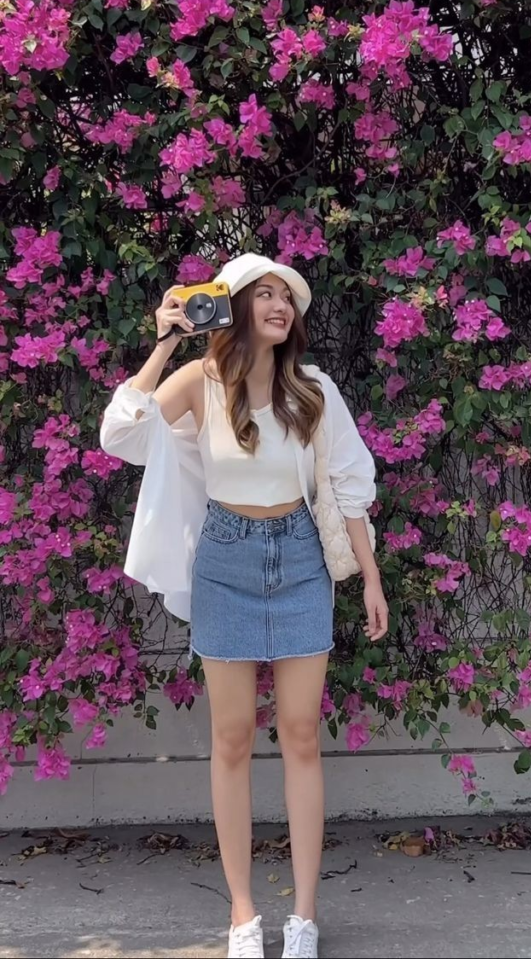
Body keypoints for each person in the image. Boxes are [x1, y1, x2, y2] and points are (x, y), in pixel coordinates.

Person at [100, 253, 388, 959]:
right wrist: (165, 343)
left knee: (300, 736)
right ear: (232, 305)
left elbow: (348, 484)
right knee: (230, 741)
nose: (280, 305)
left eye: (287, 296)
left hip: (300, 561)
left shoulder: (312, 389)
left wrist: (371, 578)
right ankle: (242, 914)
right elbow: (121, 435)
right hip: (225, 564)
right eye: (264, 294)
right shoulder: (201, 381)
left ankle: (304, 916)